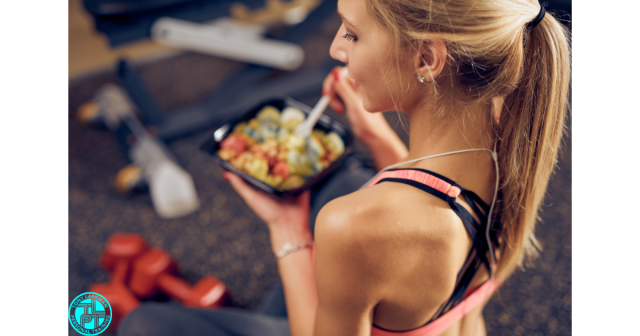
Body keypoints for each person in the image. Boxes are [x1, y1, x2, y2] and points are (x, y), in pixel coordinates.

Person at [119, 0, 571, 335]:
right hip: (451, 315)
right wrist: (375, 136)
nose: (336, 48)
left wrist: (288, 233)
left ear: (427, 59)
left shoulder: (352, 226)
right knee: (348, 179)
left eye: (352, 34)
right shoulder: (513, 136)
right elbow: (443, 201)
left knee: (143, 323)